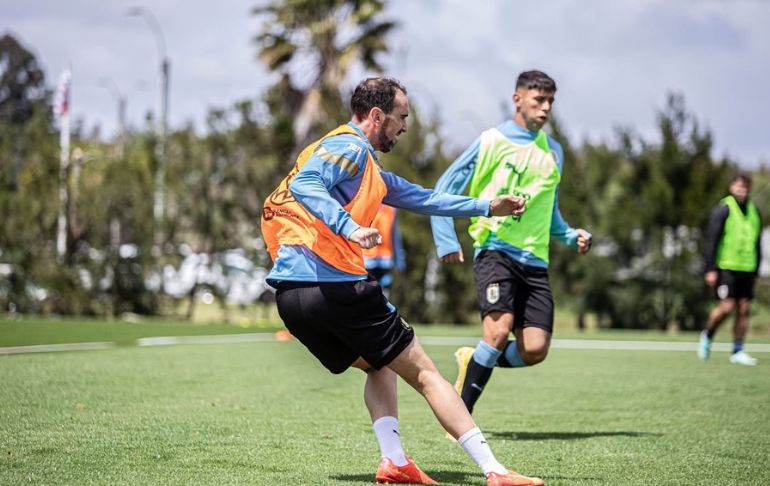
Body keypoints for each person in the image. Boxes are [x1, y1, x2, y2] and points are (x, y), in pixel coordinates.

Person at [261, 77, 544, 486]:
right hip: (337, 287)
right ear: (376, 116)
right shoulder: (350, 147)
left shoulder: (363, 167)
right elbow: (307, 184)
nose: (405, 126)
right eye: (402, 117)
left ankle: (394, 460)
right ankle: (496, 472)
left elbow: (425, 198)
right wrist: (348, 227)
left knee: (381, 364)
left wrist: (486, 206)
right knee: (428, 375)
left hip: (292, 297)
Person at [430, 70, 592, 415]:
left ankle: (472, 361)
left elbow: (550, 211)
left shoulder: (554, 152)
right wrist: (446, 238)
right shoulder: (491, 141)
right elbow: (445, 186)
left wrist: (570, 235)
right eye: (539, 100)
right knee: (498, 331)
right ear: (517, 99)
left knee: (535, 349)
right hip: (495, 249)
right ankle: (460, 416)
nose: (546, 108)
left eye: (550, 101)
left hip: (535, 260)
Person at [699, 173, 762, 366]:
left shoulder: (754, 211)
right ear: (731, 187)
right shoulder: (724, 208)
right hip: (726, 267)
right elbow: (712, 239)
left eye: (745, 187)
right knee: (727, 307)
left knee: (744, 308)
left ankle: (738, 350)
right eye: (738, 186)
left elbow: (757, 243)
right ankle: (708, 334)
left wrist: (756, 270)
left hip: (747, 268)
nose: (741, 190)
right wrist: (710, 267)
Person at [363, 204, 406, 299]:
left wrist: (399, 261)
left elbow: (395, 235)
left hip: (385, 259)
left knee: (385, 293)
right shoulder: (364, 204)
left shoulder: (391, 209)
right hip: (367, 260)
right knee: (368, 292)